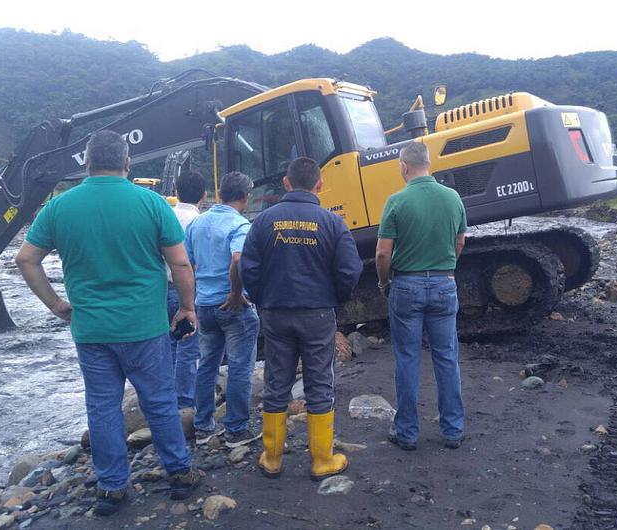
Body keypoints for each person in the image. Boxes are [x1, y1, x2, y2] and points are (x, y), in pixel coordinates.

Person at [14, 130, 200, 516]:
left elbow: (25, 259)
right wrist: (187, 307)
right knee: (160, 403)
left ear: (86, 162)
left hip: (91, 330)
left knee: (102, 408)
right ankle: (179, 475)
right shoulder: (151, 203)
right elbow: (180, 263)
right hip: (145, 328)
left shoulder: (59, 207)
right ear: (127, 162)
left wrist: (56, 305)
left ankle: (112, 488)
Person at [241, 157, 362, 480]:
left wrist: (261, 298)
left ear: (286, 182)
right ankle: (322, 461)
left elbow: (247, 269)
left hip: (276, 314)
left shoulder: (263, 221)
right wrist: (335, 297)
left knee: (276, 383)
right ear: (320, 184)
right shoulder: (332, 223)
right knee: (320, 382)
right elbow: (350, 270)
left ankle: (272, 458)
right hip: (318, 313)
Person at [375, 142, 467, 451]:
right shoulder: (452, 198)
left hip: (406, 287)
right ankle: (453, 430)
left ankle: (407, 433)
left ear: (404, 166)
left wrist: (383, 283)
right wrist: (448, 267)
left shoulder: (396, 201)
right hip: (444, 284)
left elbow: (382, 253)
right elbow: (460, 239)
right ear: (429, 163)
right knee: (446, 356)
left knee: (407, 359)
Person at [185, 171, 260, 448]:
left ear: (219, 193)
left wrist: (192, 299)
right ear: (245, 197)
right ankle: (237, 430)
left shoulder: (196, 223)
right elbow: (239, 259)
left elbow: (188, 265)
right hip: (232, 306)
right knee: (240, 366)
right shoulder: (241, 225)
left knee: (207, 364)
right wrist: (236, 292)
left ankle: (204, 426)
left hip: (203, 304)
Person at [166, 171, 206, 410]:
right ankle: (185, 401)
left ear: (176, 193)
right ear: (203, 195)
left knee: (169, 344)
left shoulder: (165, 215)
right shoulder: (200, 222)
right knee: (189, 347)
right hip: (191, 290)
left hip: (163, 288)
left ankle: (167, 397)